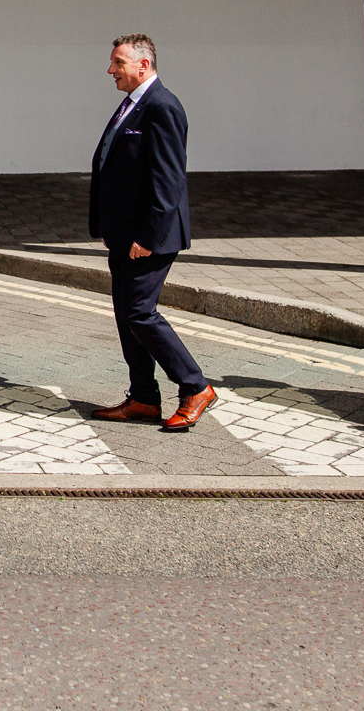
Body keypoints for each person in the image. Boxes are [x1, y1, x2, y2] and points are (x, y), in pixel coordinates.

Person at [87, 33, 217, 431]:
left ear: (143, 65)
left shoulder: (162, 107)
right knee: (127, 316)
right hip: (125, 233)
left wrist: (148, 235)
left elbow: (168, 181)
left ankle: (195, 387)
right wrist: (109, 225)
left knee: (141, 314)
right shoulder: (132, 105)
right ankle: (143, 397)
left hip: (149, 236)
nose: (111, 70)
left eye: (118, 63)